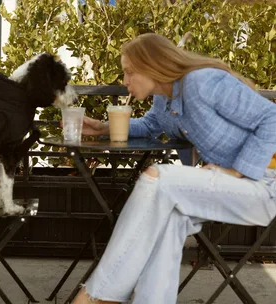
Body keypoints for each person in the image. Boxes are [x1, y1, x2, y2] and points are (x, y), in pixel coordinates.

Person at [72, 33, 276, 304]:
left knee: (157, 178)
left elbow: (271, 117)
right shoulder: (164, 99)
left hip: (263, 184)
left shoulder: (202, 82)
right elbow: (149, 126)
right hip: (225, 187)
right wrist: (103, 128)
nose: (125, 82)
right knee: (169, 218)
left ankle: (96, 296)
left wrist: (237, 170)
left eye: (129, 72)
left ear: (151, 66)